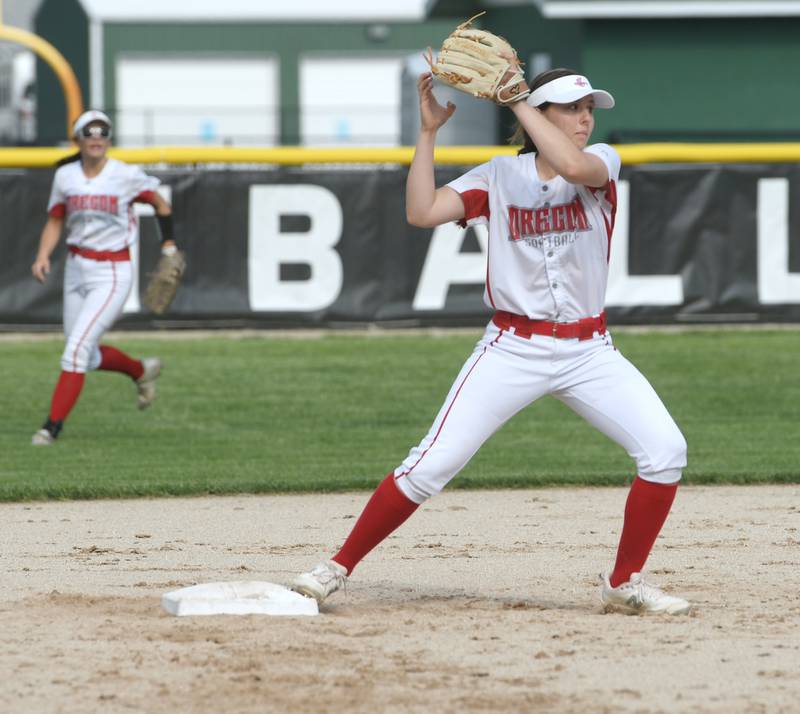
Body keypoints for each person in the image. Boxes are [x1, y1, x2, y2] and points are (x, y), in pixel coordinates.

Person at [292, 68, 690, 615]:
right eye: (572, 108)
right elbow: (421, 211)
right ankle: (335, 567)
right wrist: (428, 133)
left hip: (589, 350)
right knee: (430, 464)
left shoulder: (600, 161)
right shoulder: (499, 176)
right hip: (512, 347)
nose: (585, 118)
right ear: (542, 116)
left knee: (666, 451)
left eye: (588, 108)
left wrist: (516, 101)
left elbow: (573, 167)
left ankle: (624, 582)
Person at [30, 109, 177, 445]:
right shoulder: (66, 176)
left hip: (112, 270)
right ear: (78, 139)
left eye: (103, 132)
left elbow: (160, 203)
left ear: (109, 140)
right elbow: (55, 219)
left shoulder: (124, 175)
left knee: (75, 353)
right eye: (90, 132)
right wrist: (42, 255)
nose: (97, 137)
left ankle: (50, 428)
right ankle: (141, 371)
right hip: (76, 266)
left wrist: (168, 244)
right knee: (85, 352)